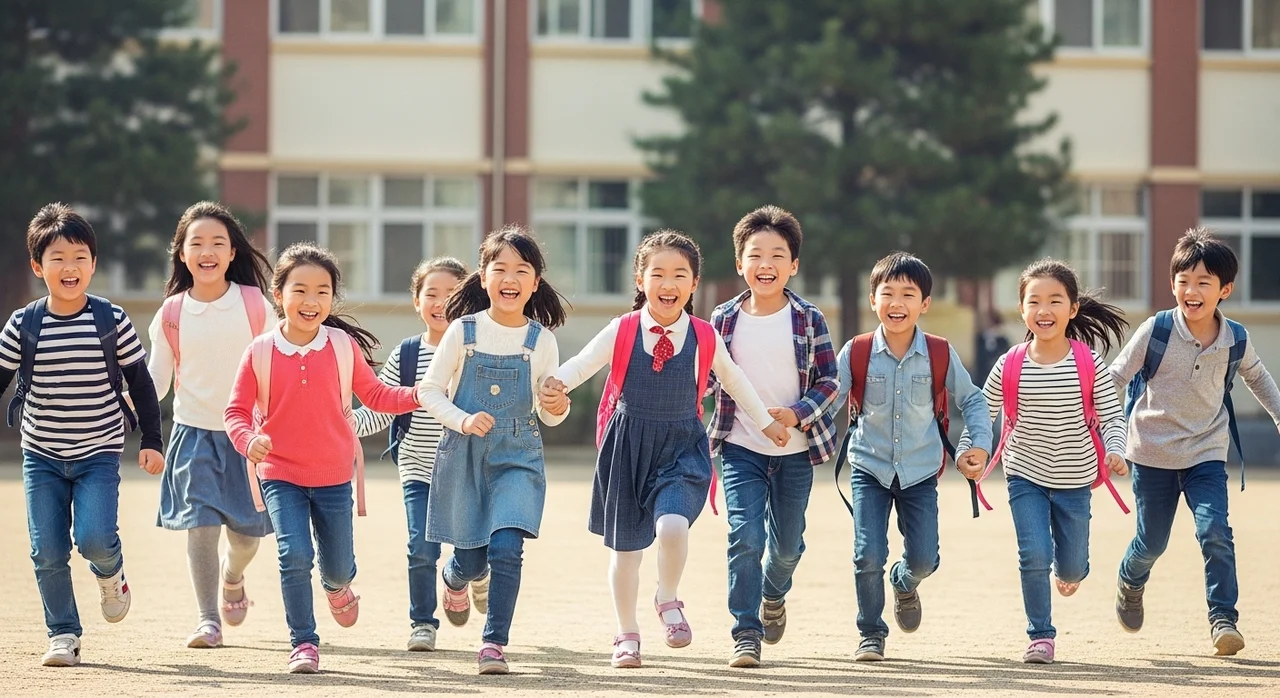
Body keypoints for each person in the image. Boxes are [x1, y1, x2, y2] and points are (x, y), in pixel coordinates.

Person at [547, 230, 790, 669]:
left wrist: (769, 422)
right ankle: (626, 633)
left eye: (680, 274)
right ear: (641, 280)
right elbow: (582, 364)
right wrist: (555, 384)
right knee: (625, 553)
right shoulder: (621, 329)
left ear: (694, 284)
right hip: (627, 447)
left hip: (681, 447)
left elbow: (735, 383)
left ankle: (667, 597)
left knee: (674, 528)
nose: (668, 282)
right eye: (657, 273)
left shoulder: (704, 336)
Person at [223, 243, 421, 673]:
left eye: (322, 291)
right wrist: (247, 439)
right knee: (293, 554)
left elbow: (375, 395)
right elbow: (236, 412)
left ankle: (338, 586)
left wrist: (419, 396)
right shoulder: (259, 351)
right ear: (279, 294)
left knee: (338, 565)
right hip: (280, 473)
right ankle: (304, 643)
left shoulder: (342, 345)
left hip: (334, 475)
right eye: (300, 290)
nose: (311, 301)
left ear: (332, 298)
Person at [0, 203, 164, 667]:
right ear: (38, 266)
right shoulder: (23, 324)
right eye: (57, 257)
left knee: (94, 538)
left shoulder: (110, 320)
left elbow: (141, 383)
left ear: (93, 263)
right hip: (42, 453)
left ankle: (111, 574)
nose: (69, 267)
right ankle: (64, 634)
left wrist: (152, 441)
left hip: (99, 451)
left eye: (79, 256)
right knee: (46, 549)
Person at [1110, 228, 1280, 656]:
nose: (1192, 290)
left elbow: (1257, 377)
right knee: (1152, 542)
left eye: (1204, 282)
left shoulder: (1235, 338)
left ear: (1225, 289)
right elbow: (1115, 377)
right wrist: (1099, 428)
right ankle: (1131, 580)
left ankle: (1223, 619)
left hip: (1205, 452)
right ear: (1173, 285)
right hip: (1151, 453)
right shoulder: (1157, 330)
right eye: (1184, 280)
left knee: (1215, 531)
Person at [417, 226, 569, 675]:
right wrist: (462, 419)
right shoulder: (462, 331)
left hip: (518, 457)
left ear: (535, 282)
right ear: (482, 278)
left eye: (521, 269)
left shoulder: (541, 340)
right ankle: (455, 577)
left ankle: (493, 644)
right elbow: (429, 390)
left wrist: (558, 404)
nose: (510, 277)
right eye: (499, 268)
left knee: (506, 547)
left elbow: (549, 411)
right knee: (471, 557)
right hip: (464, 454)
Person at [832, 252, 991, 663]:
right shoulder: (857, 351)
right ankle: (871, 633)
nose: (897, 303)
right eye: (888, 293)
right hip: (869, 466)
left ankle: (904, 583)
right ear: (873, 299)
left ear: (925, 304)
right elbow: (827, 396)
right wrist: (795, 424)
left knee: (923, 558)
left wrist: (977, 444)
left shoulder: (939, 352)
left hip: (921, 471)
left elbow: (972, 400)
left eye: (908, 294)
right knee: (867, 553)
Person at [976, 258, 1128, 664]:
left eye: (1055, 301)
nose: (1044, 310)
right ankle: (1040, 635)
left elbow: (1112, 415)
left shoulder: (1088, 362)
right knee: (1033, 554)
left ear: (1073, 308)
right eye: (1035, 301)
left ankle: (1069, 572)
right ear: (1022, 309)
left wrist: (1115, 449)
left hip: (1076, 477)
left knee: (1074, 567)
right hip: (1024, 473)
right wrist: (971, 449)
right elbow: (981, 412)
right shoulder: (1010, 364)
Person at [706, 206, 839, 667]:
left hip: (797, 451)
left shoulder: (808, 318)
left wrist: (797, 413)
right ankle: (746, 631)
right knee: (744, 535)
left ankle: (773, 593)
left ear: (793, 265)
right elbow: (704, 377)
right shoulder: (722, 319)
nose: (766, 264)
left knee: (786, 546)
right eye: (755, 254)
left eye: (777, 255)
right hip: (740, 445)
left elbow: (830, 381)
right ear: (739, 263)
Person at [146, 202, 275, 649]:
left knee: (246, 537)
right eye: (196, 243)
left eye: (218, 242)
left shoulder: (256, 304)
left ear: (233, 252)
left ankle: (232, 574)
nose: (207, 251)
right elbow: (155, 381)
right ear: (181, 253)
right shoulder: (171, 313)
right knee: (199, 524)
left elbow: (274, 366)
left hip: (248, 441)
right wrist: (120, 401)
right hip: (193, 434)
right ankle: (207, 620)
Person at [353, 256, 470, 652]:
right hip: (418, 468)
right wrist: (333, 425)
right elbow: (376, 410)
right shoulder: (406, 355)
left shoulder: (475, 352)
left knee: (473, 552)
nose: (440, 302)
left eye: (451, 294)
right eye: (430, 293)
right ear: (416, 301)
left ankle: (462, 579)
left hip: (469, 470)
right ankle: (423, 622)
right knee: (421, 547)